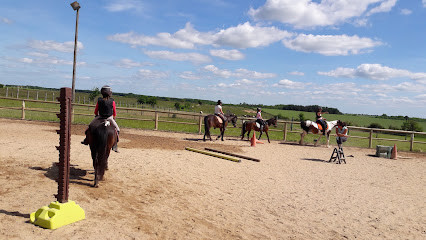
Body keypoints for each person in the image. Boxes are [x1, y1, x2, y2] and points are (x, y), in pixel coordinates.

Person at [81, 85, 120, 152]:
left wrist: (96, 115)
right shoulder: (112, 101)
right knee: (117, 130)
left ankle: (86, 140)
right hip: (110, 118)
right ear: (110, 93)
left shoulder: (99, 101)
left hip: (100, 117)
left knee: (89, 126)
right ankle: (115, 145)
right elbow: (114, 112)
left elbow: (96, 111)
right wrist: (114, 118)